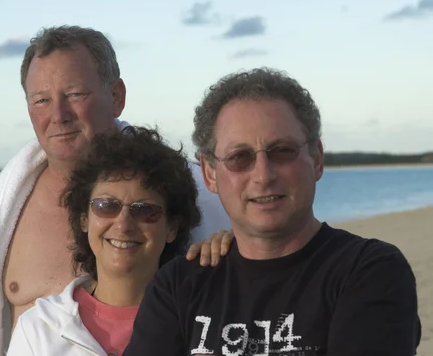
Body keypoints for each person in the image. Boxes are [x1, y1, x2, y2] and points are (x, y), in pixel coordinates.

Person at [0, 25, 232, 356]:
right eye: (41, 100)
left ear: (116, 96)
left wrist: (233, 242)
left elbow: (256, 278)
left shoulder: (196, 194)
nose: (58, 116)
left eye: (75, 95)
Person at [123, 68, 422, 356]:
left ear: (316, 159)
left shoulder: (368, 270)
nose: (263, 175)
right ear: (209, 173)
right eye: (239, 157)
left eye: (282, 151)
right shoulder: (177, 286)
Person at [7, 125, 201, 355]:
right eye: (106, 206)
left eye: (144, 210)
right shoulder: (39, 329)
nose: (123, 224)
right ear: (83, 220)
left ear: (171, 227)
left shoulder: (203, 323)